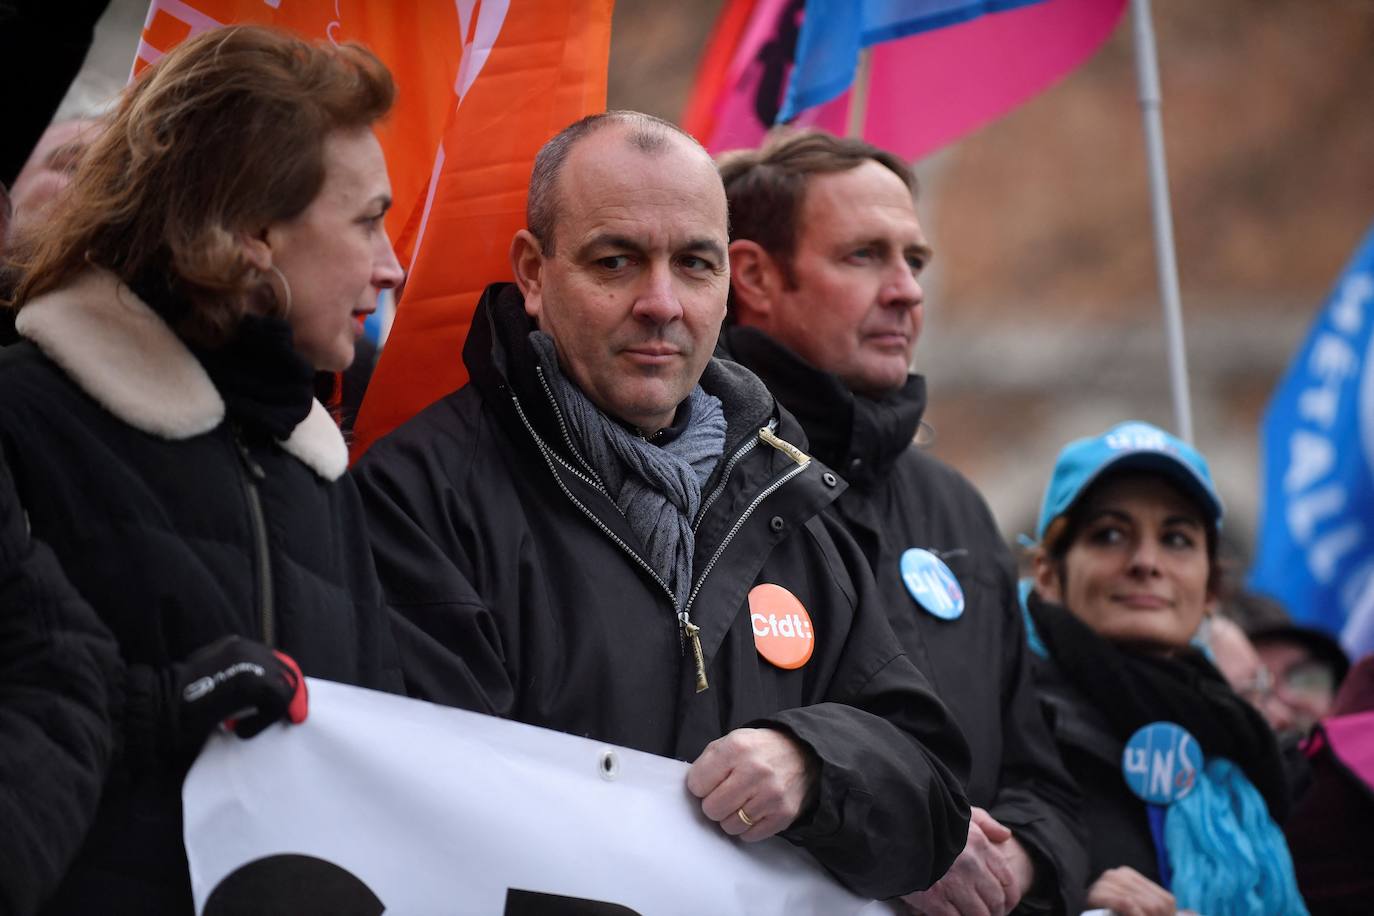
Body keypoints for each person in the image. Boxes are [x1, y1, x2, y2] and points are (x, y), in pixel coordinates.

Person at [353, 110, 972, 899]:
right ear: (534, 275)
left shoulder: (787, 499)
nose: (661, 302)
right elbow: (431, 812)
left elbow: (932, 789)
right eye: (616, 261)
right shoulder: (420, 497)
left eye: (694, 264)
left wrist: (813, 762)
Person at [2, 25, 405, 912]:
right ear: (254, 232)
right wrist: (159, 708)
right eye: (369, 220)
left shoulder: (323, 470)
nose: (392, 266)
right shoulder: (23, 416)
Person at [716, 129, 1085, 916]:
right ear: (753, 275)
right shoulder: (699, 484)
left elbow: (1043, 779)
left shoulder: (954, 506)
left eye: (913, 261)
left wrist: (1016, 858)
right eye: (863, 256)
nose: (907, 291)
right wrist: (906, 843)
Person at [1026, 421, 1307, 916]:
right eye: (1109, 534)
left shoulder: (1257, 755)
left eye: (1177, 539)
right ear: (1048, 575)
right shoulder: (1006, 727)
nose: (1146, 562)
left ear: (1211, 590)